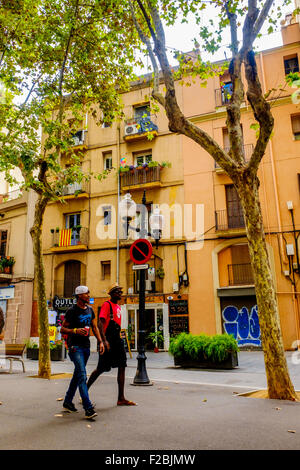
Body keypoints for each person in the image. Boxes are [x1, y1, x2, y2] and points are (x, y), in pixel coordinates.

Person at [87, 284, 136, 406]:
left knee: (122, 365)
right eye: (117, 291)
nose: (120, 293)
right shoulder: (106, 305)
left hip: (117, 340)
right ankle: (84, 391)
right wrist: (104, 341)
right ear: (111, 293)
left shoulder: (118, 307)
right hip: (108, 340)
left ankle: (121, 398)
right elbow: (100, 324)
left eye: (120, 291)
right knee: (101, 368)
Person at [60, 285, 105, 419]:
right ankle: (88, 408)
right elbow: (62, 329)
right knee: (82, 376)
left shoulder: (90, 310)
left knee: (78, 375)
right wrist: (74, 331)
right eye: (87, 293)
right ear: (79, 296)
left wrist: (100, 341)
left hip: (85, 347)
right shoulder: (72, 311)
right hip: (75, 347)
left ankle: (68, 402)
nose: (89, 295)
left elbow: (94, 326)